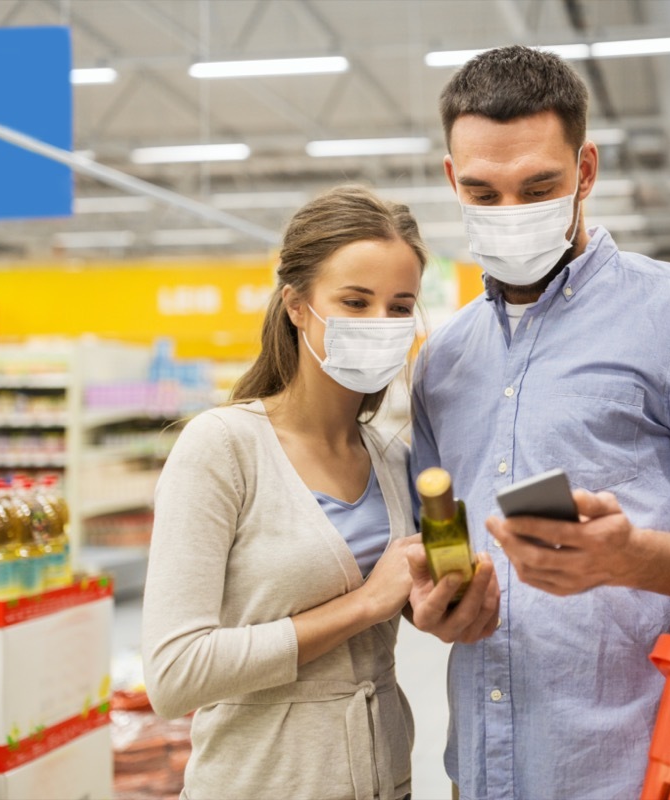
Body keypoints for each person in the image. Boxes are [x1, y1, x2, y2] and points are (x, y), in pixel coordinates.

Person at [405, 46, 670, 799]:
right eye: (483, 193)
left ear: (585, 171)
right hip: (482, 775)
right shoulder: (443, 361)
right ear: (451, 180)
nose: (511, 215)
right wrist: (435, 604)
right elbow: (442, 542)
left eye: (539, 187)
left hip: (629, 776)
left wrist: (633, 558)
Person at [143, 185, 429, 800]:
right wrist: (364, 603)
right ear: (297, 306)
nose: (381, 325)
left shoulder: (392, 459)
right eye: (355, 301)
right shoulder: (221, 449)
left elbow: (407, 608)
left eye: (399, 307)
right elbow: (174, 674)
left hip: (386, 780)